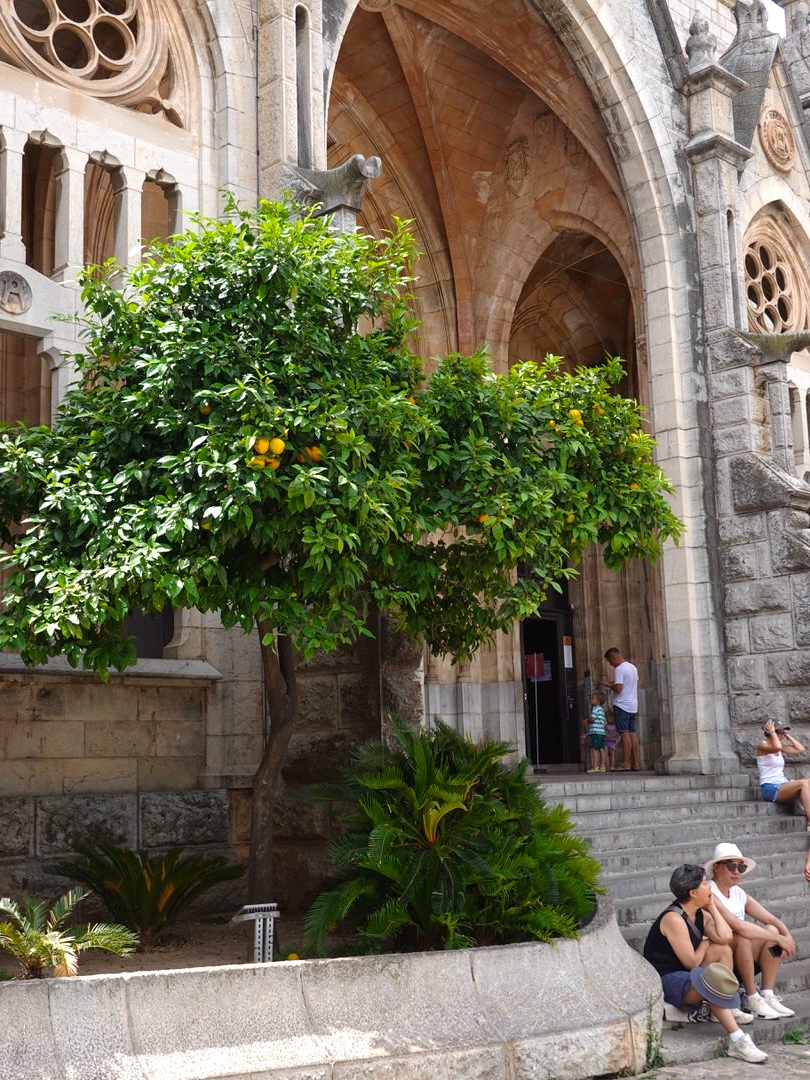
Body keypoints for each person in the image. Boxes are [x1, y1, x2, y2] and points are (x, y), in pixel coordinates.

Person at [643, 864, 766, 1064]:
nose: (709, 886)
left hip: (688, 973)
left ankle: (726, 1008)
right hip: (668, 978)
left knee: (723, 949)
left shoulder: (700, 912)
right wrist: (705, 943)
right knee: (712, 976)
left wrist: (712, 908)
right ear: (692, 892)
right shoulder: (673, 918)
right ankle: (738, 1040)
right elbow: (691, 962)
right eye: (704, 884)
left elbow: (725, 937)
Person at [705, 842, 796, 1020]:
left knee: (771, 930)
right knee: (743, 935)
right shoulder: (709, 891)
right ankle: (751, 996)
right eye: (731, 866)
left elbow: (771, 919)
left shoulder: (738, 893)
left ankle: (767, 994)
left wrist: (786, 937)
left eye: (741, 867)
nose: (737, 871)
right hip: (717, 957)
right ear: (716, 867)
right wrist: (779, 938)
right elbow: (737, 926)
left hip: (740, 956)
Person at [757, 721, 810, 882]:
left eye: (782, 732)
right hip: (770, 788)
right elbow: (777, 747)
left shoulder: (779, 745)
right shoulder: (763, 746)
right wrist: (773, 733)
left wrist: (787, 735)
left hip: (783, 785)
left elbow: (800, 749)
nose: (781, 734)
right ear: (770, 731)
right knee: (803, 783)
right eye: (780, 731)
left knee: (807, 782)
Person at [604, 646, 640, 770]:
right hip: (633, 704)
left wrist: (609, 685)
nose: (611, 664)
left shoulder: (619, 669)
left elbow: (619, 689)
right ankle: (636, 763)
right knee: (632, 734)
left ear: (613, 658)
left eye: (610, 662)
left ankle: (625, 763)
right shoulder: (632, 667)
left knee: (624, 734)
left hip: (622, 705)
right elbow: (630, 683)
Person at [585, 690, 607, 772]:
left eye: (592, 698)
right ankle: (603, 766)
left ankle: (595, 766)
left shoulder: (595, 709)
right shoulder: (601, 710)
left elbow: (592, 719)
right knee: (601, 748)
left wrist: (586, 720)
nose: (590, 699)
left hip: (596, 732)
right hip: (601, 733)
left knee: (594, 749)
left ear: (598, 701)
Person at [605, 707, 619, 772]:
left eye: (608, 718)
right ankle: (611, 765)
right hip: (608, 740)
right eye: (606, 718)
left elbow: (619, 733)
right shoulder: (606, 725)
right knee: (609, 753)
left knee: (611, 752)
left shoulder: (615, 725)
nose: (607, 720)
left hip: (613, 740)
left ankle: (612, 766)